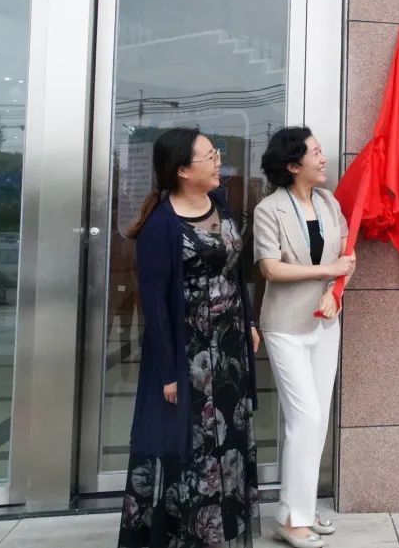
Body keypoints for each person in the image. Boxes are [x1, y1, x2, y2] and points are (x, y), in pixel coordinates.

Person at [119, 127, 261, 548]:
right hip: (189, 355)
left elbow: (236, 272)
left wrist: (249, 322)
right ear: (182, 170)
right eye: (210, 156)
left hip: (230, 350)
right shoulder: (160, 225)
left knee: (228, 437)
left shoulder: (220, 204)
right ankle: (189, 534)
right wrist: (168, 373)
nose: (219, 162)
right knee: (193, 445)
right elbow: (155, 306)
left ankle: (221, 527)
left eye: (217, 153)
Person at [254, 127, 355, 548]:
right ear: (293, 164)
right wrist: (327, 272)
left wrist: (335, 292)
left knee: (316, 421)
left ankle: (300, 509)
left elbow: (346, 255)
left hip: (324, 323)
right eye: (314, 152)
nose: (323, 157)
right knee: (306, 417)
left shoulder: (329, 202)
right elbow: (270, 268)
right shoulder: (269, 209)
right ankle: (292, 520)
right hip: (285, 326)